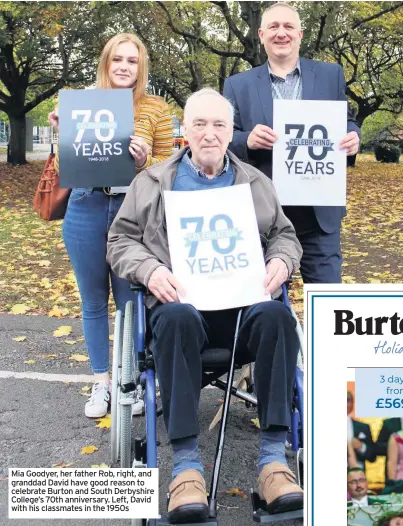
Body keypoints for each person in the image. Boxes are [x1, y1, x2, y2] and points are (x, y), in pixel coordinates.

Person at [107, 88, 303, 523]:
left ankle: (273, 462)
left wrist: (281, 260)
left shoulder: (255, 182)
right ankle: (186, 470)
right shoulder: (152, 181)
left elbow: (285, 235)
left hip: (243, 309)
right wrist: (149, 270)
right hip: (183, 307)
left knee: (277, 315)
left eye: (219, 124)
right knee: (173, 317)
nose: (210, 133)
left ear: (231, 132)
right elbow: (120, 240)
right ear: (185, 130)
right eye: (200, 124)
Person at [48, 33, 173, 418]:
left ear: (141, 66)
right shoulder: (81, 103)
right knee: (92, 300)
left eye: (132, 61)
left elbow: (170, 169)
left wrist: (143, 161)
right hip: (85, 205)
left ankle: (130, 382)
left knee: (130, 303)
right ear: (106, 62)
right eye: (117, 59)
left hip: (132, 212)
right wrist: (60, 133)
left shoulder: (156, 108)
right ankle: (101, 382)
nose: (124, 66)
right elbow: (65, 164)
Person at [223, 2, 361, 284]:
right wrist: (246, 140)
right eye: (273, 27)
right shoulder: (238, 85)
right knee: (268, 308)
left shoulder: (330, 75)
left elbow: (345, 121)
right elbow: (223, 140)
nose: (281, 33)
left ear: (300, 34)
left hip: (318, 215)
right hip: (264, 216)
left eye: (288, 26)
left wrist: (352, 135)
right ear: (261, 34)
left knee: (326, 305)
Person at [347, 391, 376, 472]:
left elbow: (373, 457)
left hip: (357, 475)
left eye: (347, 400)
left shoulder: (363, 427)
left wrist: (361, 447)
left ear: (352, 404)